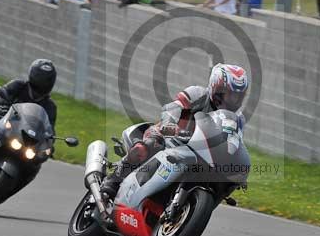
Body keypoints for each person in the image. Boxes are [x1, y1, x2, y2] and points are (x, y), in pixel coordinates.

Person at [101, 63, 249, 200]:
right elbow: (173, 108)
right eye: (229, 94)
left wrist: (236, 167)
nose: (233, 100)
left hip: (199, 152)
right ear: (216, 89)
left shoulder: (237, 119)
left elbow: (234, 141)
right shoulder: (198, 94)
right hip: (171, 138)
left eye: (238, 96)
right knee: (150, 144)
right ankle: (113, 181)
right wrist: (170, 124)